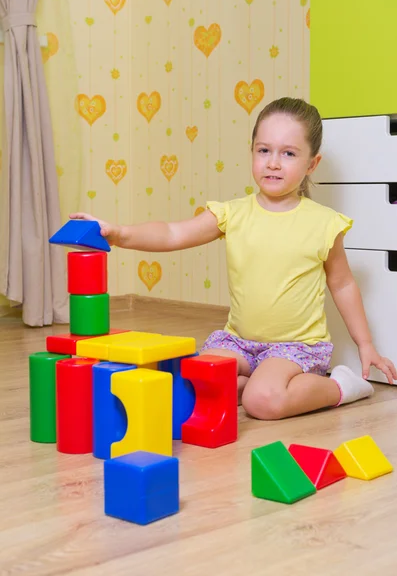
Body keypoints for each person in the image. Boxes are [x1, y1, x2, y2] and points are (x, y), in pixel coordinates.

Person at [70, 96, 397, 420]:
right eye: (264, 150)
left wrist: (364, 343)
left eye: (288, 153)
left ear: (312, 164)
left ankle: (339, 386)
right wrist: (119, 234)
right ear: (253, 152)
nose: (273, 162)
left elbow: (342, 284)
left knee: (261, 402)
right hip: (238, 342)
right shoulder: (233, 214)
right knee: (193, 379)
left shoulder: (324, 223)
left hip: (295, 347)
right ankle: (254, 382)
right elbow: (173, 233)